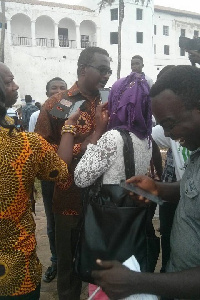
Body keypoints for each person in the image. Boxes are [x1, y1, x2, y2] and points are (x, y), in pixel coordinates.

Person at [91, 65, 200, 299]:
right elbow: (192, 189)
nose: (168, 135)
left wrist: (138, 282)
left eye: (170, 124)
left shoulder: (112, 138)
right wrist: (158, 188)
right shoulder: (197, 150)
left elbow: (82, 177)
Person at [35, 46, 112, 300]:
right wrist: (86, 144)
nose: (106, 75)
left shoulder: (108, 103)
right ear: (82, 70)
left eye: (109, 71)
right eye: (102, 70)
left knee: (101, 267)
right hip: (69, 200)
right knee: (68, 272)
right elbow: (41, 151)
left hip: (103, 200)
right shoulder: (59, 104)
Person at [0, 73, 81, 299]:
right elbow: (59, 167)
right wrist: (71, 130)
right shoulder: (26, 142)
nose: (16, 85)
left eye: (62, 88)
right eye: (7, 82)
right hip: (15, 269)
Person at [74, 71, 153, 299]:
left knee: (103, 285)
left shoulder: (113, 137)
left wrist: (98, 131)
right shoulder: (145, 139)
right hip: (131, 218)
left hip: (106, 221)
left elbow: (82, 178)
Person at [29, 77, 67, 283]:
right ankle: (55, 261)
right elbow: (36, 145)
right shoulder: (38, 115)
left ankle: (73, 260)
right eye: (54, 88)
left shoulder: (74, 114)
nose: (58, 92)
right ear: (47, 93)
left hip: (71, 174)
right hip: (49, 176)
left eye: (62, 88)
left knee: (72, 219)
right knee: (52, 221)